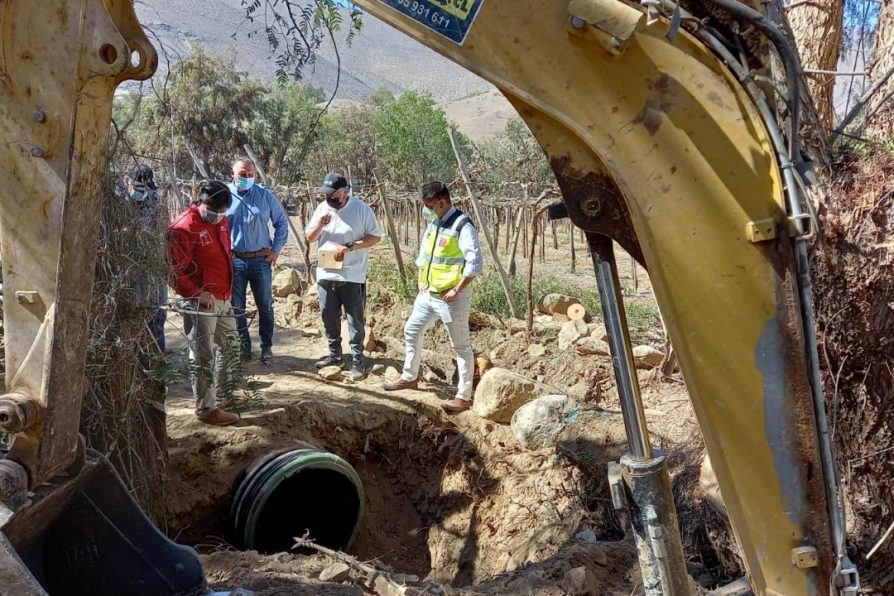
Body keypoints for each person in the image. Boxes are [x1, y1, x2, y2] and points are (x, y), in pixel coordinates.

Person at [383, 181, 482, 413]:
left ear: (441, 202)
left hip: (451, 298)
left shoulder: (462, 225)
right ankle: (409, 376)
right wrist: (420, 277)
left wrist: (457, 289)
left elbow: (475, 264)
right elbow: (425, 253)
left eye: (429, 204)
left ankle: (463, 396)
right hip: (428, 294)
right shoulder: (433, 222)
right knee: (411, 330)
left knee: (461, 347)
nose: (425, 209)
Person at [167, 181, 240, 426]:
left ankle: (223, 396)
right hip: (200, 302)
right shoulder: (183, 228)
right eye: (213, 210)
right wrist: (196, 292)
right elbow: (171, 269)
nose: (217, 216)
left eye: (222, 213)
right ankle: (206, 408)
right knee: (202, 354)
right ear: (201, 201)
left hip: (222, 297)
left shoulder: (220, 221)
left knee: (231, 346)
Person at [305, 172, 382, 381]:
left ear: (345, 192)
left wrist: (350, 246)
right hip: (326, 273)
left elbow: (375, 236)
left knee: (354, 320)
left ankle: (358, 362)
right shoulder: (322, 208)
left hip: (352, 274)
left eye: (333, 193)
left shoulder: (361, 209)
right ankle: (335, 356)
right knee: (328, 316)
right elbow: (309, 237)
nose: (328, 197)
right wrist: (320, 224)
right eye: (326, 193)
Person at [226, 157, 289, 363]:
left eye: (250, 175)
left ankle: (266, 346)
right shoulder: (224, 196)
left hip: (261, 260)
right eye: (242, 174)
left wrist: (275, 250)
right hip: (235, 260)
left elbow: (281, 223)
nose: (246, 178)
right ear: (233, 174)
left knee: (265, 305)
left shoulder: (265, 196)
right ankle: (244, 348)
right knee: (237, 307)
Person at [123, 164, 168, 352]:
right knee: (133, 315)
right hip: (128, 265)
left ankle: (157, 360)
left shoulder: (155, 200)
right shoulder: (119, 202)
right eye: (138, 185)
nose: (142, 191)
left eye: (145, 185)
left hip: (152, 265)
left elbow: (160, 230)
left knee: (156, 315)